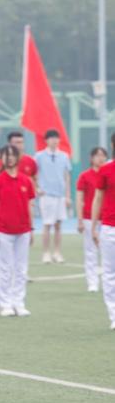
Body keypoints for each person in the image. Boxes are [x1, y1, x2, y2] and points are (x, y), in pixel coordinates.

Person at [0, 145, 35, 317]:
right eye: (6, 155)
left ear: (18, 157)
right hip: (3, 231)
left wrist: (31, 229)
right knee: (5, 268)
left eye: (12, 155)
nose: (9, 158)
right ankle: (5, 304)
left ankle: (19, 303)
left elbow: (30, 206)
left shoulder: (26, 180)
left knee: (21, 269)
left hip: (23, 230)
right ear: (2, 158)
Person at [87, 134, 115, 330]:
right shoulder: (105, 170)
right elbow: (97, 198)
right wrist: (94, 226)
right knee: (110, 273)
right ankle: (114, 314)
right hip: (109, 228)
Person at [34, 129, 71, 264]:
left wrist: (67, 196)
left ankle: (57, 252)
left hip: (60, 195)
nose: (54, 140)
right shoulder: (39, 156)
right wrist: (37, 188)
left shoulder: (64, 156)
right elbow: (33, 174)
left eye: (56, 138)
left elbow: (67, 176)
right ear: (46, 140)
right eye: (51, 138)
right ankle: (46, 253)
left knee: (58, 225)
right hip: (47, 195)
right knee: (47, 224)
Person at [76, 146, 107, 294]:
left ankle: (108, 282)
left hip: (107, 219)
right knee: (91, 251)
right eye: (97, 155)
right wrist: (80, 219)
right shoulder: (85, 176)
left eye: (103, 155)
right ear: (91, 158)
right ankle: (92, 282)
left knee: (107, 251)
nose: (100, 158)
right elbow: (79, 198)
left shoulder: (108, 173)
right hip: (89, 218)